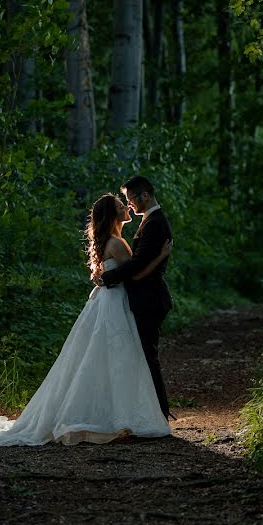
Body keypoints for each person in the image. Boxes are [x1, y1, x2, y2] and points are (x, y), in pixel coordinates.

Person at [0, 193, 172, 445]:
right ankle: (117, 415)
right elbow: (135, 276)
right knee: (117, 358)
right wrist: (160, 256)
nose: (126, 207)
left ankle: (112, 415)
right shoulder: (117, 243)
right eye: (120, 206)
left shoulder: (109, 241)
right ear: (113, 215)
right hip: (114, 305)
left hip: (107, 303)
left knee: (102, 358)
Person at [98, 176, 174, 420]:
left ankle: (159, 413)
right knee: (143, 355)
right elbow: (137, 266)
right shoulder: (149, 222)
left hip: (150, 299)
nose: (129, 204)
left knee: (147, 356)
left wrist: (107, 278)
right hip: (143, 298)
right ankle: (153, 412)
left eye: (130, 199)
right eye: (125, 202)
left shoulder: (154, 223)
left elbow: (138, 266)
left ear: (144, 196)